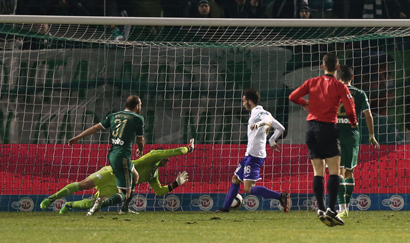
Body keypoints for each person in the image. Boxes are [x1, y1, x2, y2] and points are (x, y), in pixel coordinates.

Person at [289, 53, 358, 227]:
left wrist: (305, 102)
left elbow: (292, 97)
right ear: (337, 67)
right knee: (334, 171)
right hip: (328, 129)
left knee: (318, 172)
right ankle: (332, 210)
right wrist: (353, 122)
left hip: (311, 129)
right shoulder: (340, 86)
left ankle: (320, 208)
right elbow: (350, 109)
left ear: (322, 66)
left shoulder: (311, 82)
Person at [40, 139, 194, 214]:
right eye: (165, 158)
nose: (167, 161)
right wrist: (188, 148)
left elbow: (159, 191)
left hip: (118, 185)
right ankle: (52, 198)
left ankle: (69, 205)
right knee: (84, 184)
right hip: (111, 172)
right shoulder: (152, 155)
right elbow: (172, 152)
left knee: (96, 203)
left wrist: (175, 183)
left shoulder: (154, 174)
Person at [216, 89, 290, 213]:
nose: (243, 103)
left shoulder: (258, 112)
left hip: (255, 156)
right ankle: (225, 208)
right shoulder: (263, 112)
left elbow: (267, 121)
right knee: (235, 179)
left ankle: (280, 196)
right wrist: (272, 140)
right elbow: (280, 128)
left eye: (244, 101)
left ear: (249, 101)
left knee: (248, 189)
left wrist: (259, 124)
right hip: (249, 155)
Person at [67, 95, 145, 209]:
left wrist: (78, 137)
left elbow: (96, 128)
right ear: (137, 106)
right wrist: (141, 149)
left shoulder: (114, 116)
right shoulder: (138, 118)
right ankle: (101, 203)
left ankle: (124, 209)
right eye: (141, 105)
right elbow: (140, 139)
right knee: (124, 194)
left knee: (135, 175)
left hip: (113, 155)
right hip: (122, 157)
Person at [336, 66, 380, 218]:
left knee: (338, 171)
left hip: (336, 134)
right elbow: (368, 115)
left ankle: (342, 209)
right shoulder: (360, 93)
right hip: (353, 135)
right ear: (352, 77)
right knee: (349, 171)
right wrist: (371, 135)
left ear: (338, 77)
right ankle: (346, 207)